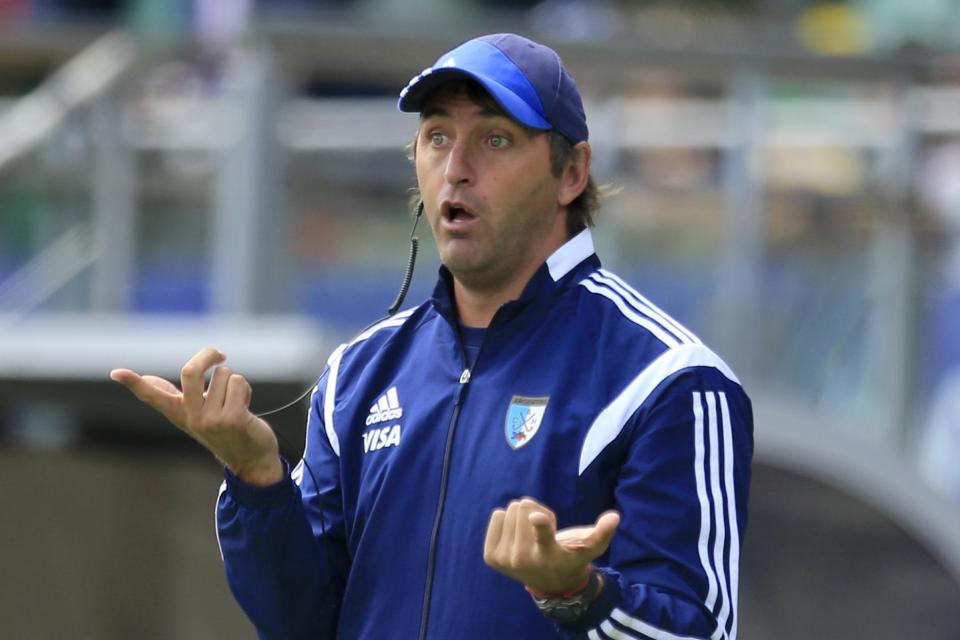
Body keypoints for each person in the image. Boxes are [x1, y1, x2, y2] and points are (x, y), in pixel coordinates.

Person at [111, 33, 753, 640]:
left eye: (496, 140)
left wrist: (577, 592)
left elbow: (698, 627)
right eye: (437, 137)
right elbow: (299, 621)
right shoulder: (358, 372)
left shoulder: (669, 380)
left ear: (571, 173)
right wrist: (256, 478)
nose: (457, 169)